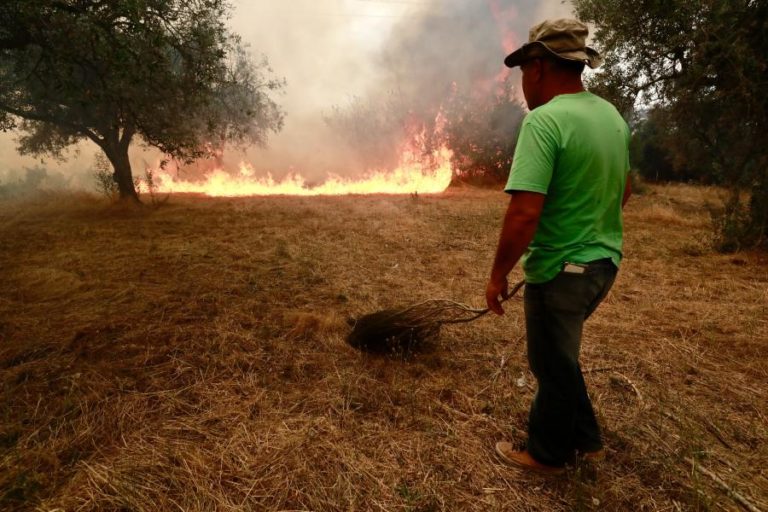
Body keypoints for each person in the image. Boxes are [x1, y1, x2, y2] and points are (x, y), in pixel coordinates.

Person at [485, 18, 632, 475]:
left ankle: (546, 453)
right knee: (561, 359)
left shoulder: (544, 122)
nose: (524, 82)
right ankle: (587, 442)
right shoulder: (610, 116)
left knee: (549, 363)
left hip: (562, 270)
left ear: (539, 68)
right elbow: (624, 191)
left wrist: (497, 274)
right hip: (604, 265)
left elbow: (525, 213)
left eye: (525, 70)